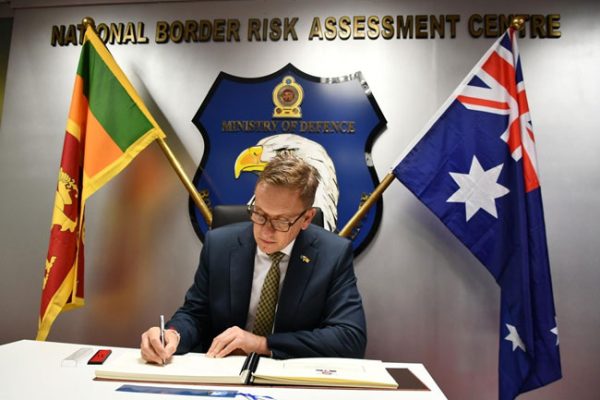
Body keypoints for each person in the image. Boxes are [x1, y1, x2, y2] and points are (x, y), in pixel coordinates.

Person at [140, 153, 366, 363]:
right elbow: (195, 314)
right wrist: (172, 334)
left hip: (289, 377)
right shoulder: (219, 245)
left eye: (281, 221)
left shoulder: (332, 255)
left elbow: (350, 338)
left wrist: (262, 344)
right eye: (259, 214)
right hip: (223, 371)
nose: (265, 231)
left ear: (306, 219)